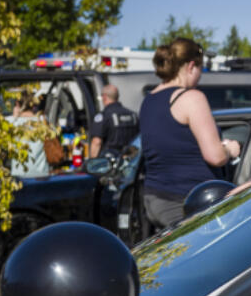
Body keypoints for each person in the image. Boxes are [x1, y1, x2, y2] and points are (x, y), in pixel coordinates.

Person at [138, 38, 241, 233]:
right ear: (191, 66)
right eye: (201, 69)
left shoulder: (149, 99)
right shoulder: (191, 98)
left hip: (154, 198)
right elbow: (215, 157)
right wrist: (229, 148)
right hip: (187, 202)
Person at [88, 84, 139, 159]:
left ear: (104, 97)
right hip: (130, 161)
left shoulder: (103, 116)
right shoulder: (133, 115)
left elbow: (96, 142)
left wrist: (92, 163)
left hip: (110, 162)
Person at [7, 92, 50, 179]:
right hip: (41, 175)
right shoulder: (43, 121)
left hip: (19, 175)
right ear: (33, 105)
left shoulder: (10, 122)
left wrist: (15, 116)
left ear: (17, 104)